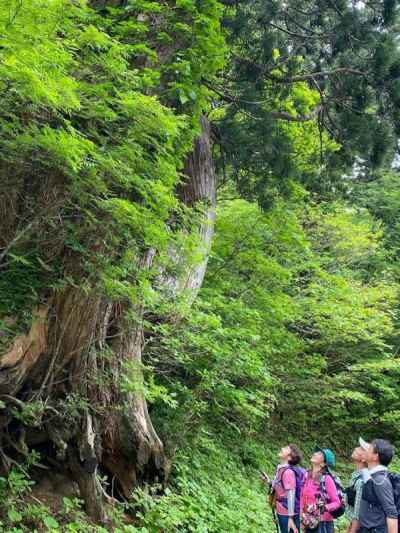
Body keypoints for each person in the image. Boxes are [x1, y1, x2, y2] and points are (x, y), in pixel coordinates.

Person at [260, 444, 304, 533]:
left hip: (287, 513)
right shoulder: (281, 469)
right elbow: (281, 487)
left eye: (286, 448)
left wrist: (291, 518)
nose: (282, 448)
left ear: (290, 457)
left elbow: (291, 496)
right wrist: (268, 481)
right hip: (283, 510)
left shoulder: (288, 472)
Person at [358, 437, 398, 533]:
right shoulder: (372, 476)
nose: (365, 451)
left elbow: (391, 513)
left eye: (368, 449)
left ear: (375, 456)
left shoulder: (380, 480)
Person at [300, 447, 342, 533]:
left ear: (323, 464)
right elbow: (302, 497)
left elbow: (337, 502)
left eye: (320, 454)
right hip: (308, 522)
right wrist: (302, 516)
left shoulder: (326, 479)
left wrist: (324, 507)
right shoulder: (307, 475)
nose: (315, 454)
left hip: (323, 525)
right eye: (316, 453)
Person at [345, 439, 367, 533]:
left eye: (361, 448)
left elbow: (358, 515)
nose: (356, 448)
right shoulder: (355, 475)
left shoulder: (361, 481)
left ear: (364, 459)